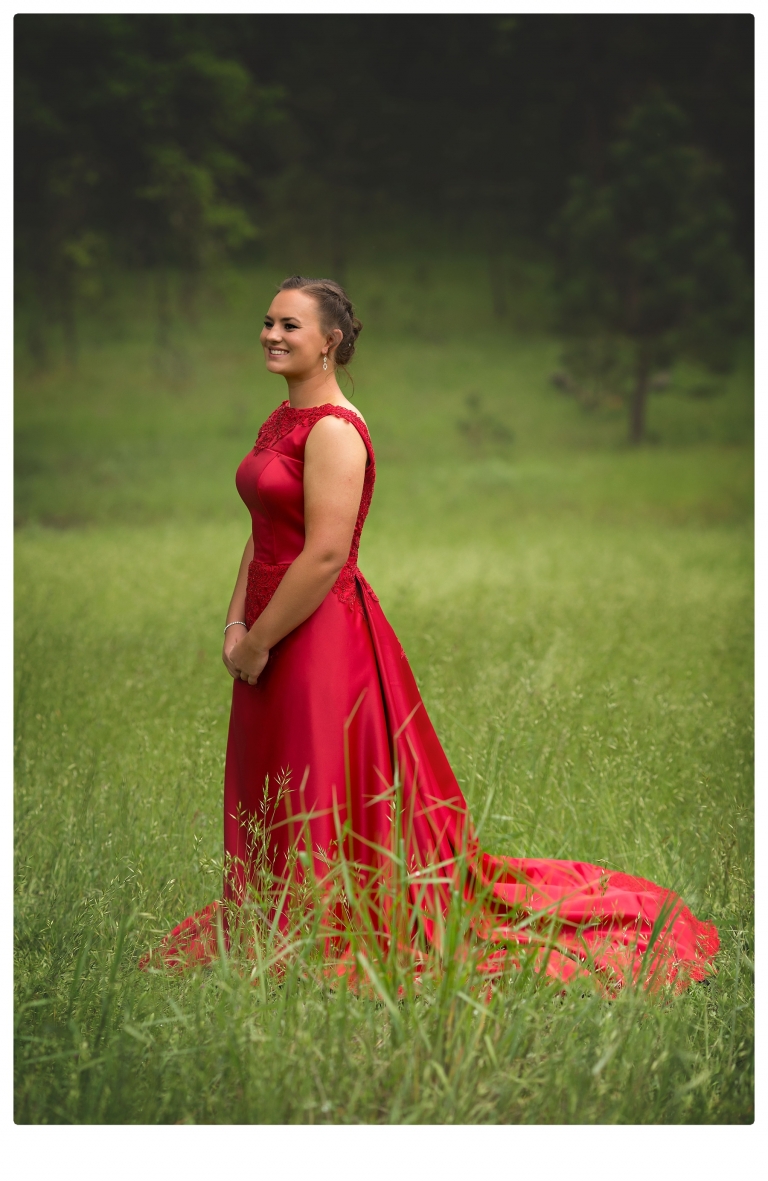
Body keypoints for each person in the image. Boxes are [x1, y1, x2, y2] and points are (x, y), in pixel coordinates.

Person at [141, 275, 719, 992]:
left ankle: (328, 920)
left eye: (290, 325)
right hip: (263, 628)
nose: (272, 334)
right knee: (275, 786)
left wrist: (260, 642)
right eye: (267, 321)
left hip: (316, 637)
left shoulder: (335, 431)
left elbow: (323, 553)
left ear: (330, 341)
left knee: (318, 780)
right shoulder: (278, 423)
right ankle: (277, 911)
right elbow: (261, 538)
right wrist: (235, 624)